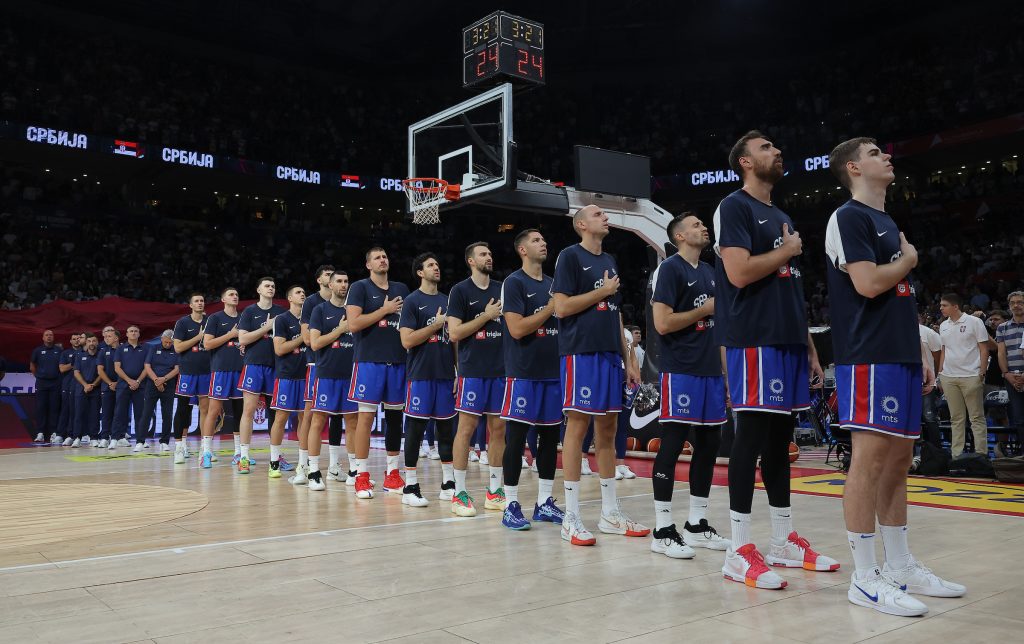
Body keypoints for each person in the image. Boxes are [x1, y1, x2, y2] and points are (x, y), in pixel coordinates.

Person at [826, 137, 963, 616]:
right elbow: (867, 283)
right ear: (853, 167)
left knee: (901, 459)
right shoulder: (849, 216)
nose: (886, 157)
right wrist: (908, 260)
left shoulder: (887, 219)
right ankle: (864, 577)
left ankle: (900, 564)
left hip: (899, 352)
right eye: (874, 153)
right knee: (869, 458)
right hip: (867, 353)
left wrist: (918, 349)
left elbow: (896, 294)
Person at [714, 131, 835, 589]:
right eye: (766, 148)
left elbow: (789, 287)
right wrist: (786, 250)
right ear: (745, 161)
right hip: (754, 339)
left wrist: (807, 347)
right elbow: (739, 271)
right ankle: (738, 548)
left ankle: (783, 540)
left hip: (786, 341)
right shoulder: (735, 206)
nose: (777, 151)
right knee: (751, 436)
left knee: (782, 441)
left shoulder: (781, 214)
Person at [552, 204, 648, 546]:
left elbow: (615, 312)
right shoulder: (569, 257)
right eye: (597, 214)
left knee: (607, 429)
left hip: (610, 355)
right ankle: (572, 516)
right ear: (581, 224)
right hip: (581, 354)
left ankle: (610, 513)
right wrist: (602, 292)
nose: (605, 217)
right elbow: (561, 307)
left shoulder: (609, 261)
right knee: (577, 428)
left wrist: (628, 359)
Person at [649, 212, 731, 560]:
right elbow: (663, 323)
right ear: (679, 236)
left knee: (710, 445)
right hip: (680, 368)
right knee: (672, 442)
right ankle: (662, 529)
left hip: (711, 370)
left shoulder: (712, 273)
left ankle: (696, 524)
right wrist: (705, 310)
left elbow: (721, 330)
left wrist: (726, 375)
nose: (704, 228)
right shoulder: (669, 269)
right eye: (696, 225)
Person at [498, 229, 566, 530]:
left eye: (544, 239)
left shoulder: (554, 284)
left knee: (551, 438)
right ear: (522, 249)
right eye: (537, 240)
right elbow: (516, 329)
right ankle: (510, 504)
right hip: (523, 373)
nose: (544, 243)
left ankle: (544, 503)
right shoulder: (513, 282)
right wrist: (550, 308)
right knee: (516, 438)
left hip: (553, 372)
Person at [447, 242, 508, 516]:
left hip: (501, 370)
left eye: (490, 252)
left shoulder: (503, 288)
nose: (489, 256)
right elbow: (455, 333)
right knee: (466, 431)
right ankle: (459, 492)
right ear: (471, 261)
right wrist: (485, 316)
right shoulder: (460, 291)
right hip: (473, 371)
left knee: (498, 431)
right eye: (483, 253)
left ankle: (495, 491)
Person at [345, 247, 410, 499]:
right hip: (369, 362)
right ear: (368, 264)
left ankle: (392, 475)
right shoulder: (360, 288)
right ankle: (361, 475)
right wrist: (384, 310)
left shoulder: (402, 289)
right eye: (377, 257)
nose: (383, 259)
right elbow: (353, 324)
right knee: (365, 419)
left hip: (398, 361)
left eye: (385, 256)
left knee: (395, 420)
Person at [399, 252, 457, 507]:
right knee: (415, 431)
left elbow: (454, 340)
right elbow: (407, 340)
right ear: (420, 272)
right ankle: (410, 486)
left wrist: (458, 371)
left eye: (437, 264)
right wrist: (435, 325)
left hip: (445, 375)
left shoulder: (448, 300)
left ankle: (448, 484)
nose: (437, 267)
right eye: (431, 265)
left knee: (446, 431)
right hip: (420, 376)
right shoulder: (412, 301)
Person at [307, 271, 362, 488]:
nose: (343, 284)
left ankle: (354, 470)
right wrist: (340, 330)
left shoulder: (355, 311)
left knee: (352, 423)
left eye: (346, 281)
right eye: (339, 281)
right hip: (326, 374)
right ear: (330, 285)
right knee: (318, 421)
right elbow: (315, 343)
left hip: (350, 374)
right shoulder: (319, 310)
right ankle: (313, 472)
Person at [236, 277, 285, 473]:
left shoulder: (282, 313)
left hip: (276, 366)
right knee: (248, 411)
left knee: (276, 414)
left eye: (273, 286)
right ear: (258, 289)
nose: (271, 288)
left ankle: (276, 457)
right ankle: (244, 457)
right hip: (254, 366)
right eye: (267, 286)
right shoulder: (249, 311)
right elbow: (243, 338)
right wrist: (266, 327)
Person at [938, 293, 990, 458]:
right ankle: (956, 456)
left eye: (944, 305)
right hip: (949, 376)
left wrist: (981, 372)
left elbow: (984, 348)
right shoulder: (943, 325)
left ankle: (981, 454)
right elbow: (944, 350)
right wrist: (940, 374)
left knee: (976, 417)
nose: (940, 308)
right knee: (956, 418)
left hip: (971, 375)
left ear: (955, 306)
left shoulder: (974, 322)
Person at [295, 265, 335, 478]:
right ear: (319, 280)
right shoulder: (311, 302)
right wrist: (336, 334)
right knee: (311, 416)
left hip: (341, 364)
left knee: (342, 417)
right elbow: (309, 340)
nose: (332, 278)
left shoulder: (345, 301)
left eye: (334, 275)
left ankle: (336, 466)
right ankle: (304, 466)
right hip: (316, 364)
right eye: (327, 275)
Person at [200, 287, 244, 468]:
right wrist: (230, 335)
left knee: (240, 412)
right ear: (223, 299)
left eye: (236, 294)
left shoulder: (244, 318)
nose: (235, 296)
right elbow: (207, 344)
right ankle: (206, 452)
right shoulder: (215, 318)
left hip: (241, 370)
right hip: (221, 371)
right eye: (231, 294)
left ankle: (239, 453)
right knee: (213, 411)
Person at [268, 286, 307, 481]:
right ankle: (274, 462)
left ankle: (303, 463)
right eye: (298, 292)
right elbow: (280, 349)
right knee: (281, 418)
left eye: (304, 292)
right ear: (289, 297)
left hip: (306, 375)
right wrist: (303, 337)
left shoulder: (310, 318)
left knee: (304, 419)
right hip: (286, 376)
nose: (302, 294)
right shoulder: (282, 319)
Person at [172, 293, 210, 464]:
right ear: (190, 305)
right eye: (196, 301)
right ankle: (180, 448)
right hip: (187, 372)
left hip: (207, 371)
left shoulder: (210, 321)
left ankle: (205, 448)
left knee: (206, 410)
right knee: (183, 409)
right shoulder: (182, 322)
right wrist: (197, 337)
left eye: (202, 301)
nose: (200, 303)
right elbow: (178, 347)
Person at [138, 330, 180, 452]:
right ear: (162, 339)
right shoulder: (153, 348)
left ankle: (164, 441)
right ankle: (140, 441)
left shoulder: (175, 350)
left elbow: (177, 368)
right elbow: (147, 366)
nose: (168, 344)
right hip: (152, 384)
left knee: (167, 414)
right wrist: (156, 380)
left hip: (169, 384)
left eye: (170, 342)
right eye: (166, 342)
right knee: (146, 413)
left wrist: (164, 379)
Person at [996, 291, 1024, 454]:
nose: (1016, 305)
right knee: (1019, 419)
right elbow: (1001, 353)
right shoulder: (1002, 327)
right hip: (1011, 377)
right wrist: (1006, 374)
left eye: (1020, 302)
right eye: (1013, 302)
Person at [114, 325, 147, 446]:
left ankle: (140, 439)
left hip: (140, 386)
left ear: (139, 334)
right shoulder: (120, 349)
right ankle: (118, 437)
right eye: (131, 331)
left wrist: (137, 381)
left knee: (140, 413)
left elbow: (146, 367)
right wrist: (129, 381)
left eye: (136, 331)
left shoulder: (145, 349)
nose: (133, 333)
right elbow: (117, 368)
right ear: (127, 334)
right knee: (120, 412)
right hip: (123, 385)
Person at [29, 329, 62, 443]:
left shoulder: (59, 350)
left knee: (54, 407)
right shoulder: (37, 351)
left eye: (51, 335)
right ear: (43, 338)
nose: (49, 337)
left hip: (55, 382)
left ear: (53, 337)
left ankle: (54, 432)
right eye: (47, 335)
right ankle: (40, 433)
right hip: (42, 383)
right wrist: (38, 376)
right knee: (40, 407)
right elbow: (32, 365)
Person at [72, 333, 102, 448]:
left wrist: (93, 385)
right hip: (81, 389)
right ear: (86, 343)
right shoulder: (80, 356)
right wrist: (85, 385)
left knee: (94, 414)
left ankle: (94, 437)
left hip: (96, 389)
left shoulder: (101, 355)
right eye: (89, 341)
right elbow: (76, 372)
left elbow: (101, 373)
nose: (91, 343)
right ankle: (77, 438)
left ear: (97, 342)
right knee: (79, 414)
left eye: (93, 341)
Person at [918, 314, 943, 451]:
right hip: (906, 383)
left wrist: (937, 378)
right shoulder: (895, 330)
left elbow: (939, 358)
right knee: (909, 420)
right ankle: (915, 453)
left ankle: (936, 452)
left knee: (929, 417)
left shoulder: (928, 333)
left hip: (927, 381)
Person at [56, 332, 83, 445]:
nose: (76, 340)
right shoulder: (66, 353)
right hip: (68, 385)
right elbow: (62, 368)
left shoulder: (85, 352)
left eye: (78, 338)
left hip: (81, 385)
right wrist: (74, 365)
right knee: (66, 410)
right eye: (74, 339)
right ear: (70, 341)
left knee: (79, 411)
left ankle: (79, 434)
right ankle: (60, 434)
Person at [96, 327, 121, 449]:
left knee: (119, 413)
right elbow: (100, 370)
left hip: (121, 386)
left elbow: (125, 368)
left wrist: (118, 382)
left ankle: (117, 437)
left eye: (109, 336)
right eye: (105, 337)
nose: (106, 338)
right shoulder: (102, 351)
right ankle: (105, 438)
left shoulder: (123, 350)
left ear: (116, 337)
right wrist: (110, 383)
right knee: (106, 413)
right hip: (107, 387)